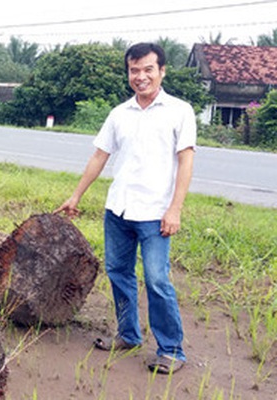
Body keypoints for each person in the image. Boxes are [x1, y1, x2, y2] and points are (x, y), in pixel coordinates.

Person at [54, 42, 196, 375]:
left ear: (162, 70)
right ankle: (128, 334)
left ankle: (172, 350)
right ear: (128, 73)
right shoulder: (120, 113)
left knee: (157, 280)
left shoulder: (180, 111)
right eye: (135, 70)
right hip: (118, 210)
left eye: (148, 69)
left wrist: (175, 209)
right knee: (119, 273)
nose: (141, 76)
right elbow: (99, 156)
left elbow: (186, 160)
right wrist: (76, 196)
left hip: (155, 214)